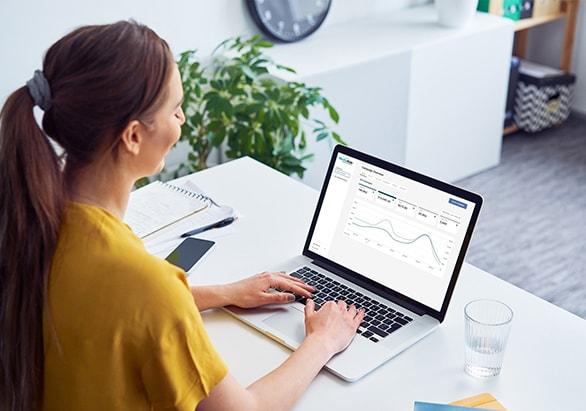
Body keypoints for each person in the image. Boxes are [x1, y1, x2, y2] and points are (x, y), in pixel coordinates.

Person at [0, 21, 364, 411]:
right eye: (175, 109)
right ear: (134, 136)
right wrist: (322, 342)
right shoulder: (145, 282)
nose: (184, 120)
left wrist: (224, 293)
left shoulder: (31, 221)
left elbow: (119, 310)